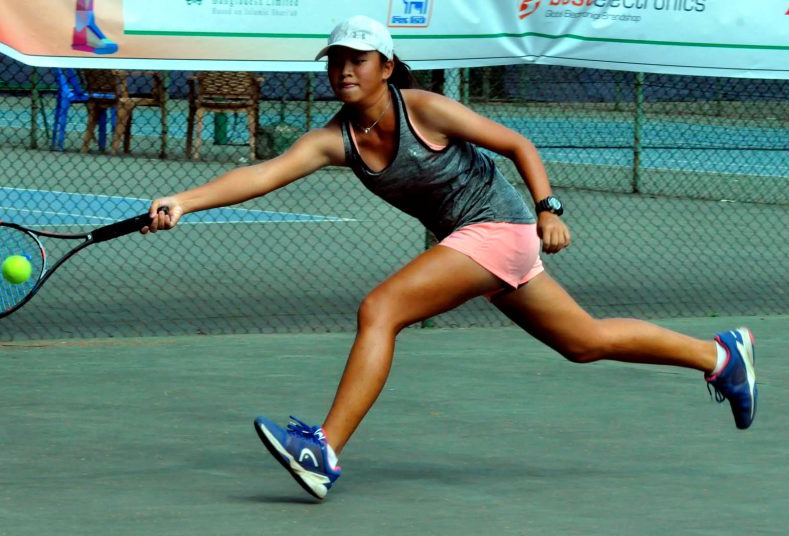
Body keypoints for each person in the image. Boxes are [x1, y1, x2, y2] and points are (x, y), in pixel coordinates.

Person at [142, 15, 757, 500]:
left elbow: (515, 142)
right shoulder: (335, 139)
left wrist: (550, 209)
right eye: (336, 61)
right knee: (584, 341)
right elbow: (264, 175)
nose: (344, 71)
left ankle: (324, 451)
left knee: (381, 308)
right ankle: (721, 355)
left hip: (500, 227)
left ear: (386, 66)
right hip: (473, 243)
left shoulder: (424, 108)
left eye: (357, 60)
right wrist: (184, 201)